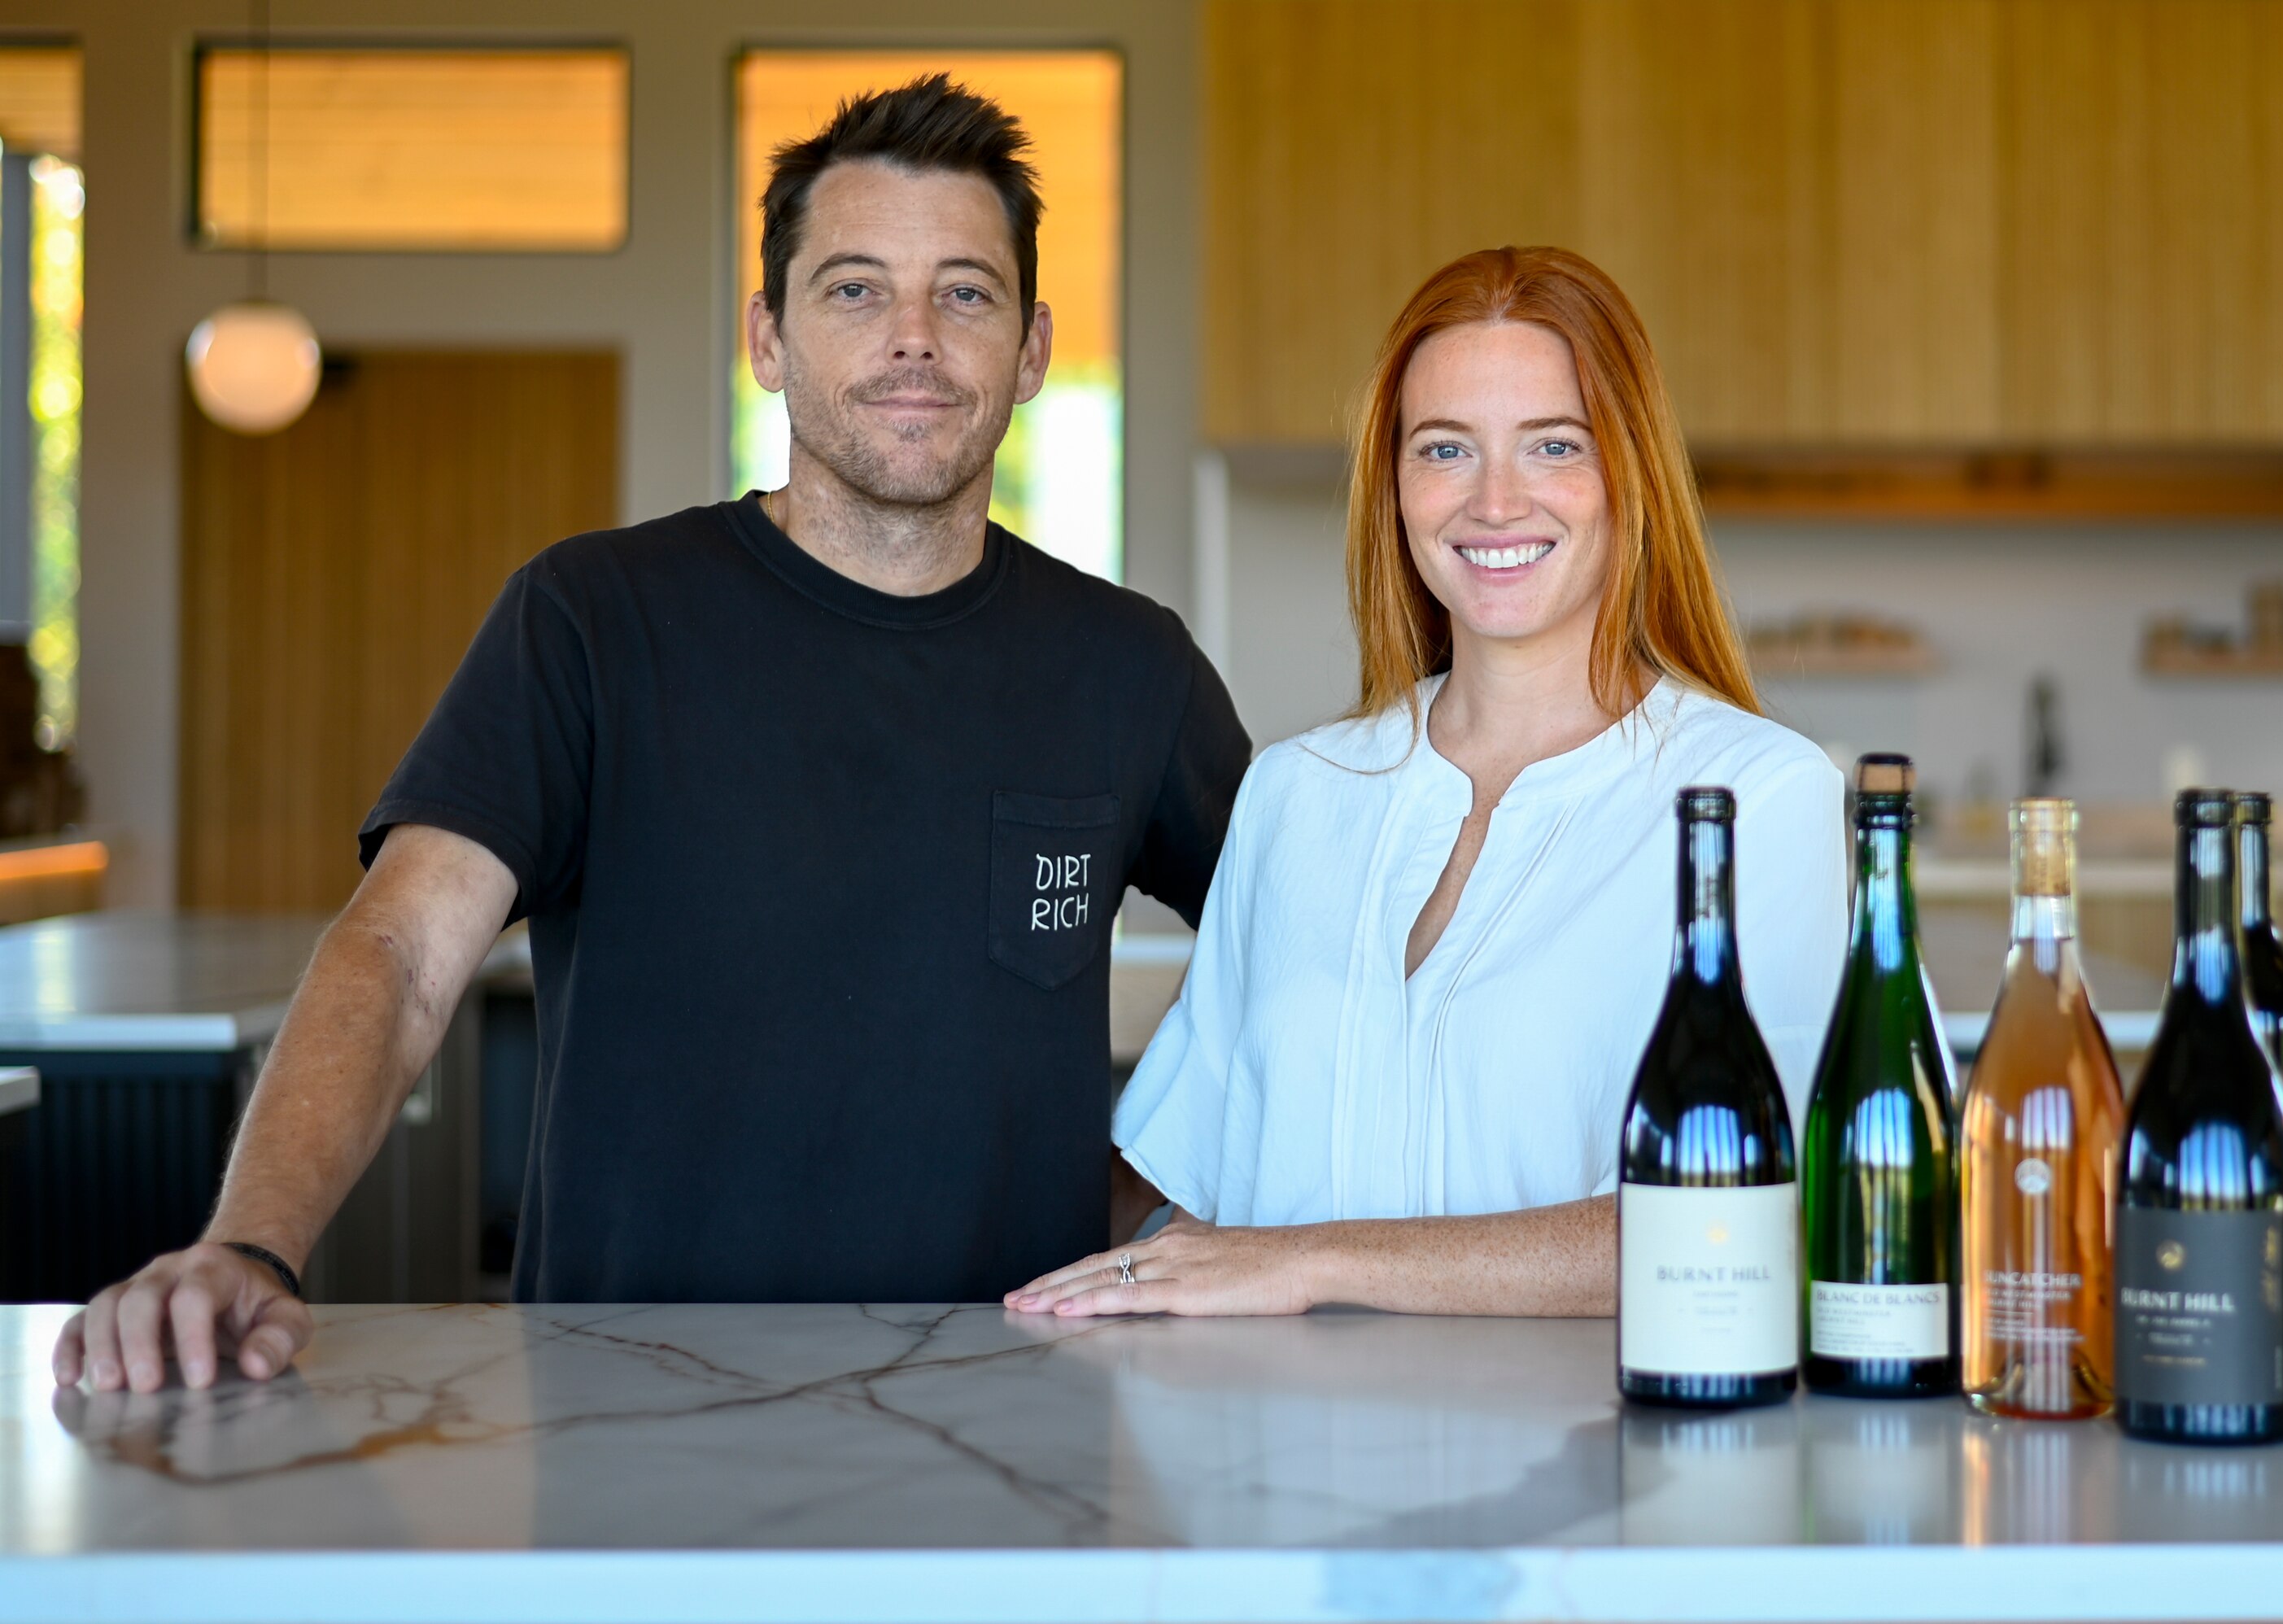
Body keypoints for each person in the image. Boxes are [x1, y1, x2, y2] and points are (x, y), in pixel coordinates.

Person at [56, 76, 1248, 1394]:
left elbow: (1321, 975)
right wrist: (251, 1245)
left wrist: (1165, 1204)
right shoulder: (591, 620)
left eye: (965, 293)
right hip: (630, 1409)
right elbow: (400, 950)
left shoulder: (1129, 666)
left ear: (1030, 350)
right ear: (768, 338)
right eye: (855, 288)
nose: (913, 338)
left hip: (1018, 1407)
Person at [1009, 247, 1843, 1320]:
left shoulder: (1753, 798)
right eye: (1445, 448)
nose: (1495, 501)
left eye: (1554, 444)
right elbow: (1180, 1177)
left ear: (1630, 473)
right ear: (1396, 486)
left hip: (1586, 1429)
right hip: (1265, 1428)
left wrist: (1316, 1262)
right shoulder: (1295, 794)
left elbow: (1752, 1220)